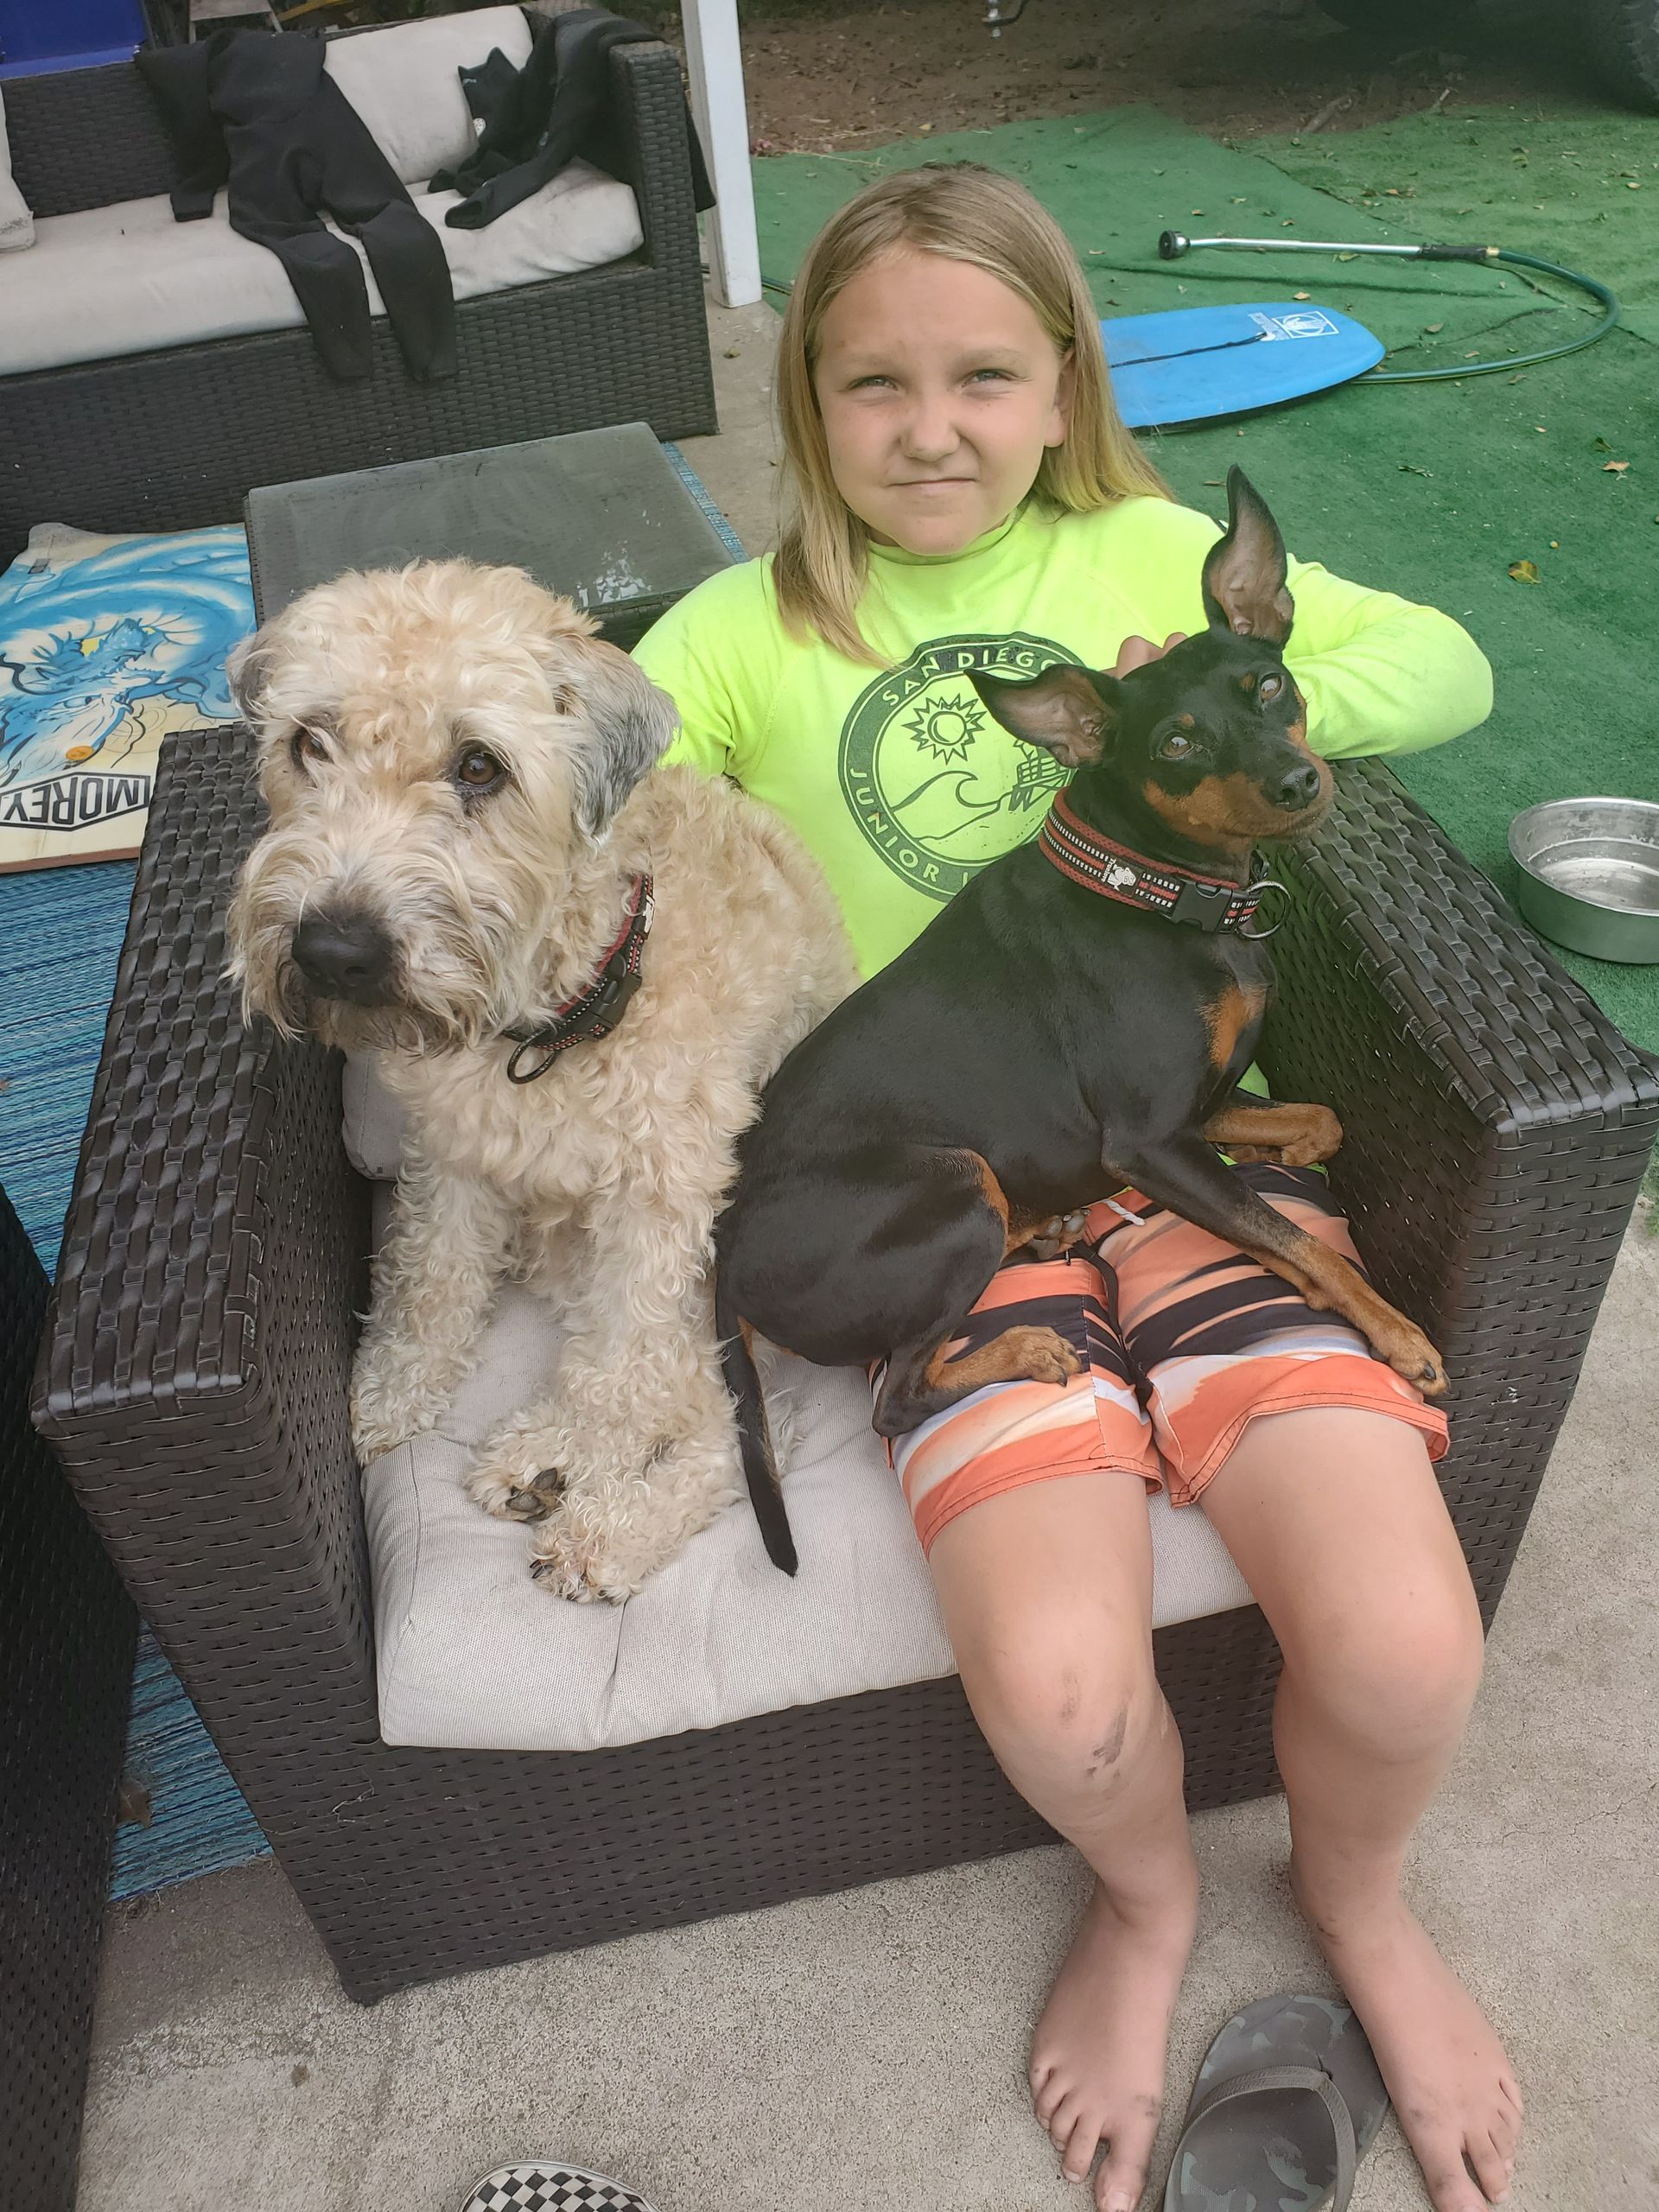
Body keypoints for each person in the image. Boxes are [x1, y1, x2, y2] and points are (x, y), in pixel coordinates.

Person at [634, 162, 1520, 2212]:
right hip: (961, 1191)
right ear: (805, 414)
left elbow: (1454, 669)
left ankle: (1361, 1902)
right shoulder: (747, 630)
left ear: (1062, 390)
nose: (929, 427)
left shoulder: (1150, 551)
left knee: (1404, 1649)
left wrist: (1205, 714)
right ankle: (1142, 1904)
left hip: (1192, 1165)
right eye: (870, 386)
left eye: (982, 376)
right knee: (1056, 1684)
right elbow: (590, 760)